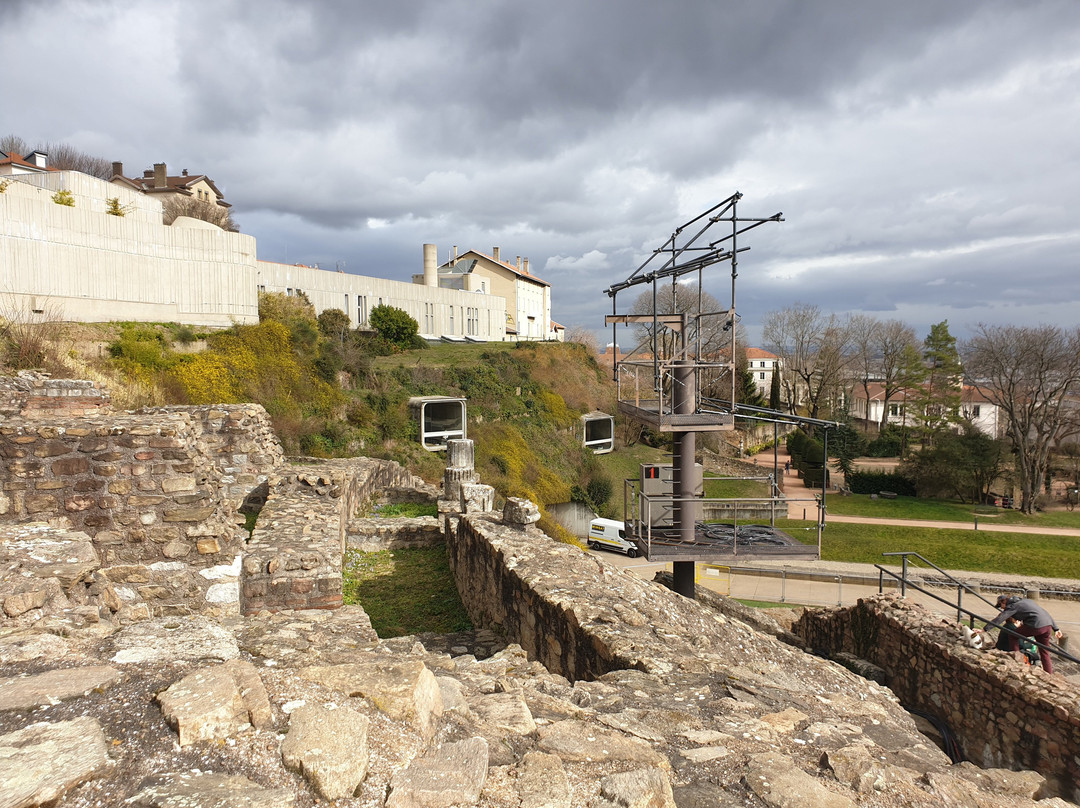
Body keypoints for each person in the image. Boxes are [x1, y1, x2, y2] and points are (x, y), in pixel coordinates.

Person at [978, 595, 1063, 673]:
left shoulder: (1012, 606)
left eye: (1001, 606)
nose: (1002, 609)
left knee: (1013, 635)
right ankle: (1049, 673)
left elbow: (1000, 618)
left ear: (1004, 602)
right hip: (1047, 625)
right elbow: (1045, 613)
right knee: (1044, 651)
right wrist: (1056, 628)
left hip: (1035, 625)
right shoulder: (1028, 601)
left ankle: (1017, 660)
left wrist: (984, 629)